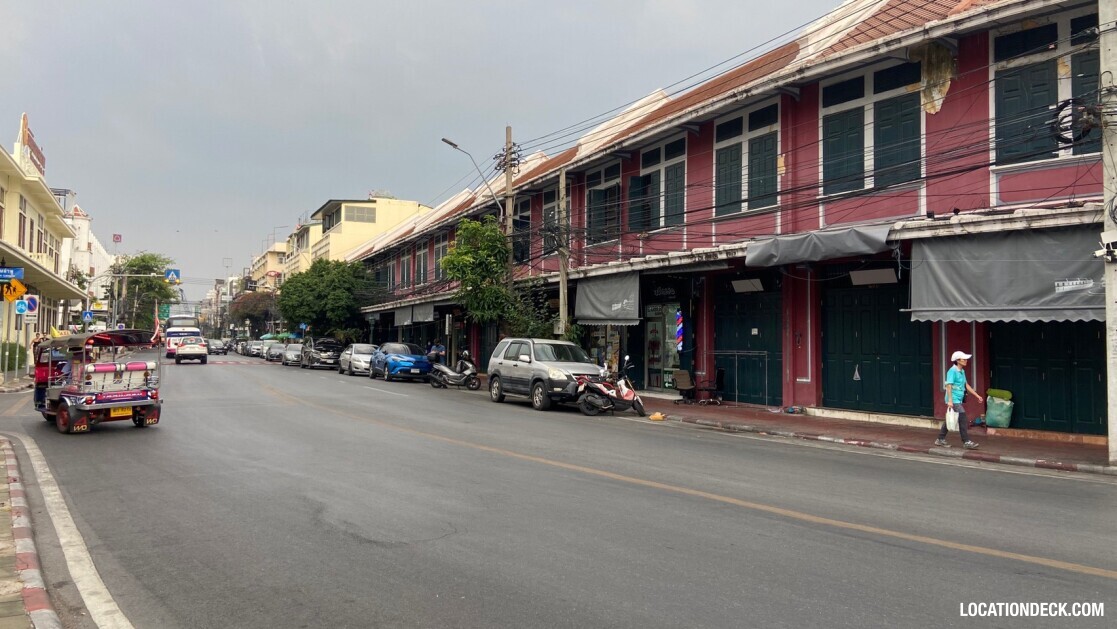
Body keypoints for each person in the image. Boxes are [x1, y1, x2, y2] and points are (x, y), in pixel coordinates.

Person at [936, 350, 983, 449]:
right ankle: (966, 441)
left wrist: (977, 395)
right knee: (962, 418)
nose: (966, 360)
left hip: (958, 398)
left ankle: (940, 439)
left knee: (950, 419)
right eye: (964, 359)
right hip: (953, 399)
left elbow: (966, 385)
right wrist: (950, 401)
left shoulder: (962, 371)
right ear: (958, 360)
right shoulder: (952, 371)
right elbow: (948, 386)